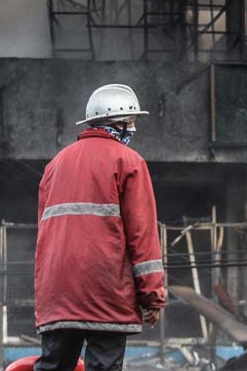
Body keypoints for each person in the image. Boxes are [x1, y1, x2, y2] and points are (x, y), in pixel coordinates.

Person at [34, 84, 165, 371]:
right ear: (117, 124)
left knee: (53, 367)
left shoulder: (54, 165)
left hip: (58, 293)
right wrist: (152, 296)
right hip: (105, 290)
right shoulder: (129, 162)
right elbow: (142, 235)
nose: (132, 130)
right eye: (130, 123)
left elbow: (44, 238)